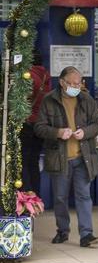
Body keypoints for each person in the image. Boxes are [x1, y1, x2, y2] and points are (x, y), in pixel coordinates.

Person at [34, 66, 98, 247]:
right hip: (60, 157)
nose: (75, 86)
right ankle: (62, 231)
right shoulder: (49, 100)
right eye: (71, 83)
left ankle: (86, 234)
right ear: (62, 82)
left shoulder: (86, 99)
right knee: (60, 197)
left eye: (78, 83)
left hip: (83, 157)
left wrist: (85, 132)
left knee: (84, 196)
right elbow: (39, 127)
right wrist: (57, 132)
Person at [20, 49, 51, 196]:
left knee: (23, 161)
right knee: (33, 161)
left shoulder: (28, 76)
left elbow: (23, 99)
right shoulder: (45, 76)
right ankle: (36, 195)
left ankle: (25, 196)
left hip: (27, 124)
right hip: (39, 124)